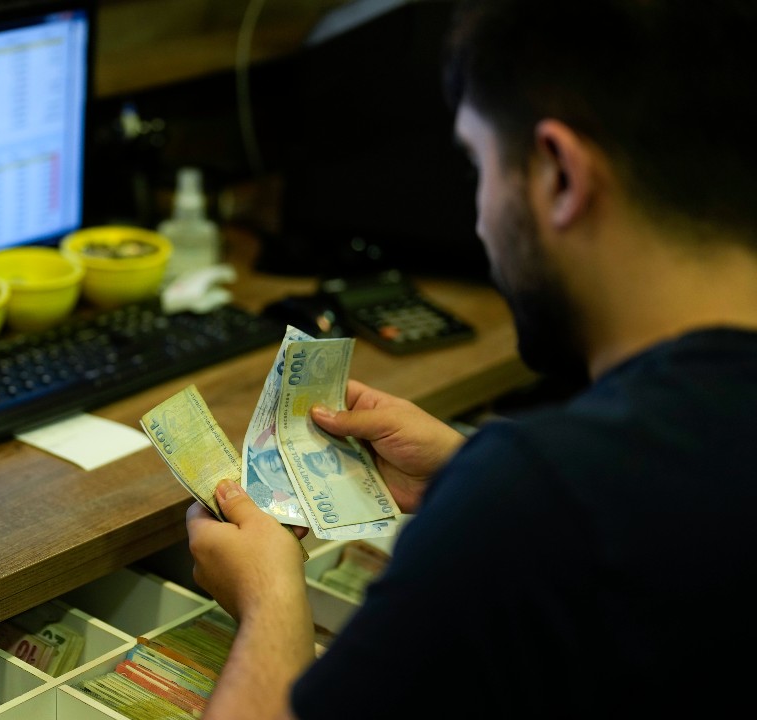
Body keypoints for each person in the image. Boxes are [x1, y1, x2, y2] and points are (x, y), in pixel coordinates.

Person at [184, 0, 757, 717]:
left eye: (477, 165)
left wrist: (269, 602)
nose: (481, 217)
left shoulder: (540, 499)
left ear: (560, 176)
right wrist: (468, 473)